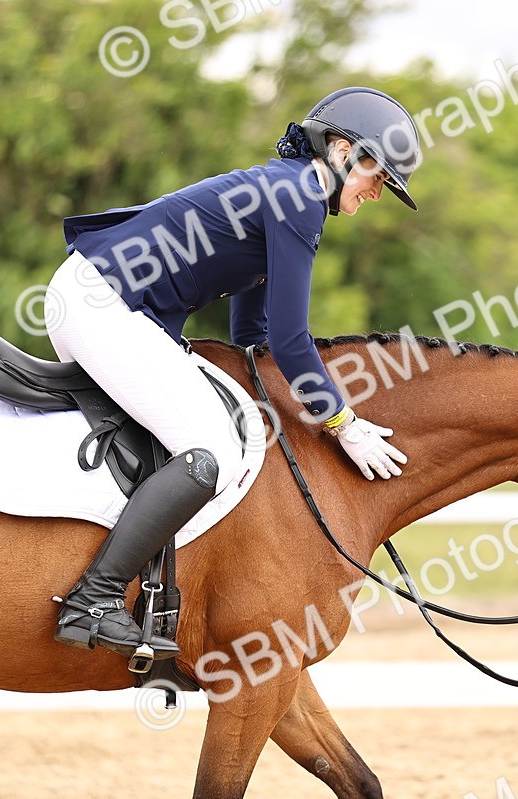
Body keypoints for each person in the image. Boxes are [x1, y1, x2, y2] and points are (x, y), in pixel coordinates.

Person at [44, 87, 420, 659]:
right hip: (102, 305)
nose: (377, 192)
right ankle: (92, 598)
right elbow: (291, 341)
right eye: (378, 175)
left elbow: (254, 334)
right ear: (343, 150)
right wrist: (343, 423)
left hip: (102, 299)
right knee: (210, 450)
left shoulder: (288, 189)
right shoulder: (300, 197)